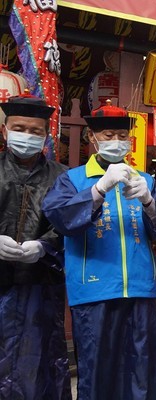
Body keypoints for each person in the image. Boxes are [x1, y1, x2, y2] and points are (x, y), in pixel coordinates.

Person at [42, 101, 156, 399]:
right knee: (98, 371)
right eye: (109, 135)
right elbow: (60, 219)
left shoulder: (145, 179)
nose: (116, 142)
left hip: (139, 289)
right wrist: (98, 190)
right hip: (94, 292)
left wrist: (150, 203)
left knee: (144, 369)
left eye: (121, 136)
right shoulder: (72, 179)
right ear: (93, 138)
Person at [0, 94, 71, 399]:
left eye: (35, 131)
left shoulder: (62, 176)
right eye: (20, 128)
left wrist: (44, 245)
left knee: (38, 359)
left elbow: (70, 224)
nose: (27, 136)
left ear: (46, 135)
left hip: (40, 286)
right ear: (5, 129)